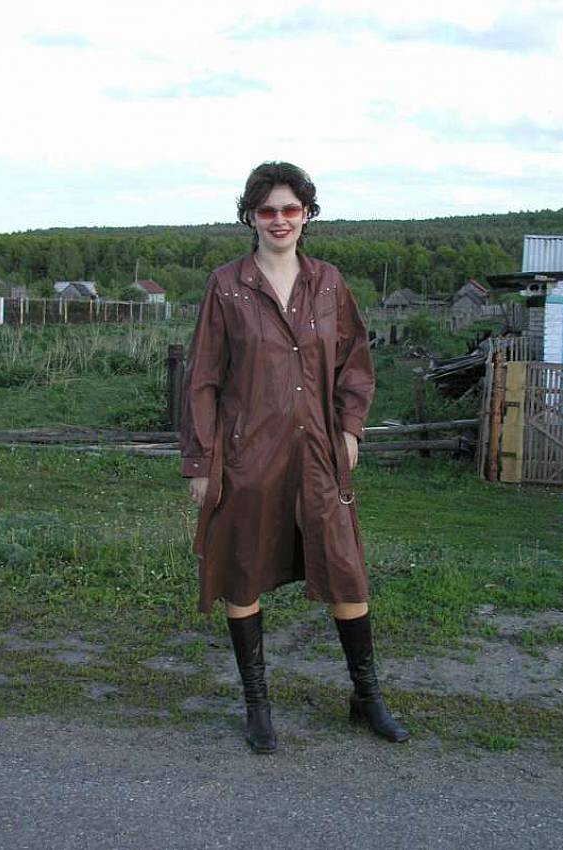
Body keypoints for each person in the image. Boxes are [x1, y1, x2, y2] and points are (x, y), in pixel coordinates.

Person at [180, 161, 409, 753]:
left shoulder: (328, 283)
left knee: (345, 570)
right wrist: (202, 463)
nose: (279, 220)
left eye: (290, 209)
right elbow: (202, 379)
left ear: (307, 214)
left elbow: (355, 361)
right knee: (242, 571)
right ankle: (258, 706)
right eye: (267, 210)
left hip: (318, 455)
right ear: (250, 217)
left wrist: (351, 431)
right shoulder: (226, 286)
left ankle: (367, 696)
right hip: (248, 458)